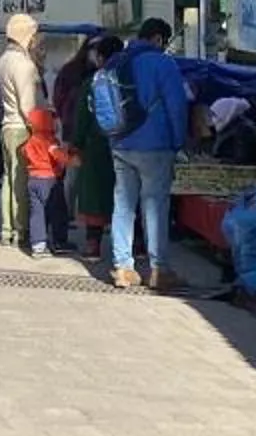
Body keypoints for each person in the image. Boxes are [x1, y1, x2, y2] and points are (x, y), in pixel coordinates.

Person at [109, 16, 191, 292]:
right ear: (157, 39)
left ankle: (123, 267)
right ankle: (159, 270)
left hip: (119, 143)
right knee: (155, 206)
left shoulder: (117, 62)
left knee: (123, 204)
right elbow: (176, 106)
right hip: (155, 144)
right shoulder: (163, 63)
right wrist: (178, 141)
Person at [70, 33, 126, 263]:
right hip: (125, 143)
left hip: (95, 145)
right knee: (126, 196)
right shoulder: (128, 78)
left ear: (101, 57)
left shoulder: (92, 82)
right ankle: (136, 248)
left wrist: (77, 143)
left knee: (94, 195)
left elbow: (82, 117)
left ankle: (93, 247)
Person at [0, 13, 45, 253]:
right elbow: (28, 105)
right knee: (21, 181)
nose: (36, 39)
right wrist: (41, 129)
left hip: (6, 125)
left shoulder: (4, 59)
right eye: (33, 34)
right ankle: (20, 229)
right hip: (21, 128)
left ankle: (6, 229)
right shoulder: (23, 64)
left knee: (8, 178)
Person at [23, 105, 72, 255]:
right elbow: (59, 156)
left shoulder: (30, 141)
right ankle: (59, 242)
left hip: (33, 179)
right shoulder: (51, 142)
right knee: (58, 212)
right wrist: (71, 160)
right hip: (50, 181)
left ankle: (38, 245)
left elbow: (23, 152)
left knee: (36, 213)